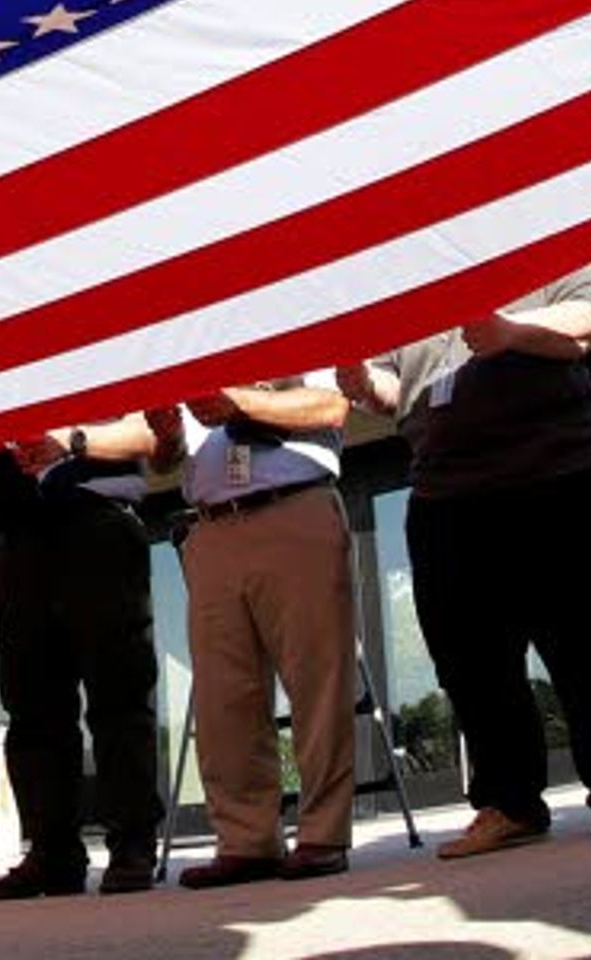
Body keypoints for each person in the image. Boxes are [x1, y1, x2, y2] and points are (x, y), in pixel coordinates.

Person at [355, 270, 591, 858]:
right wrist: (364, 382)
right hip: (445, 487)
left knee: (585, 633)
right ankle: (509, 801)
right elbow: (400, 392)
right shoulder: (403, 281)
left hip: (556, 463)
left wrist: (510, 330)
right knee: (469, 655)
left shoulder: (532, 240)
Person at [152, 379, 356, 889]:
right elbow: (167, 460)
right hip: (212, 524)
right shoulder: (188, 349)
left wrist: (240, 402)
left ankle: (323, 834)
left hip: (293, 505)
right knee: (224, 699)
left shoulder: (285, 323)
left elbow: (331, 405)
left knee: (317, 679)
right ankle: (247, 841)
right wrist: (168, 432)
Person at [0, 425, 163, 897]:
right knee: (31, 707)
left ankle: (132, 845)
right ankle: (52, 853)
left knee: (119, 694)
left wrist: (71, 442)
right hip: (19, 534)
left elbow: (152, 435)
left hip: (98, 523)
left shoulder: (106, 355)